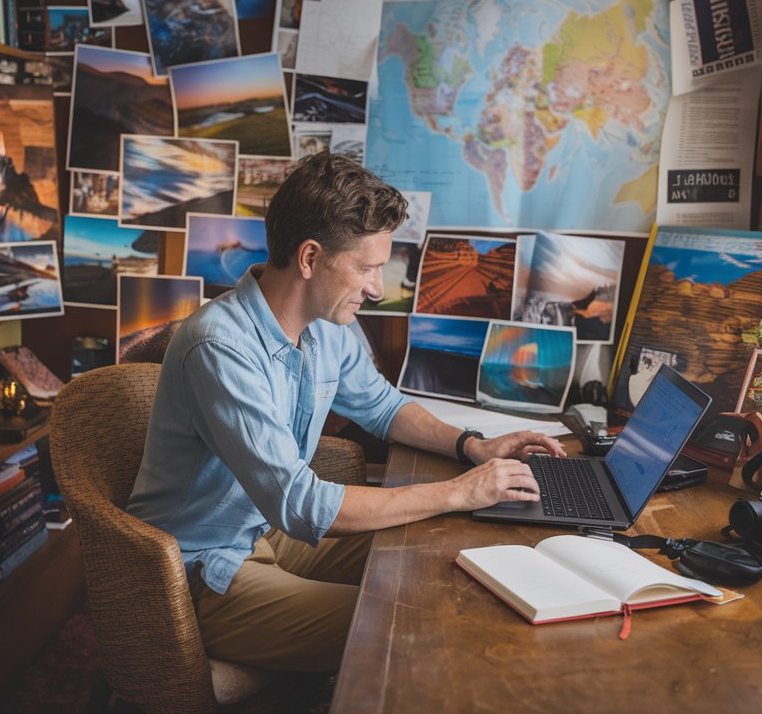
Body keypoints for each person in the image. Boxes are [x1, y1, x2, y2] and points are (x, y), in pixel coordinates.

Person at [126, 153, 564, 672]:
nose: (377, 288)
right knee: (411, 622)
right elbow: (302, 504)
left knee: (442, 563)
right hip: (196, 571)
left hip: (266, 534)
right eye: (368, 267)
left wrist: (472, 445)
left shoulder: (329, 325)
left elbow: (383, 407)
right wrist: (457, 490)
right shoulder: (219, 347)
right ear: (310, 258)